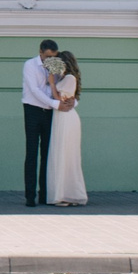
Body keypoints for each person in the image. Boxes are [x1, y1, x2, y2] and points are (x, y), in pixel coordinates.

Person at [21, 39, 60, 206]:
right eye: (47, 57)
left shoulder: (56, 65)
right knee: (31, 153)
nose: (49, 60)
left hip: (50, 112)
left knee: (47, 154)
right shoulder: (30, 65)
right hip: (33, 110)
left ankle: (44, 194)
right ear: (40, 52)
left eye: (53, 57)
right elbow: (34, 89)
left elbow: (58, 87)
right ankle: (30, 195)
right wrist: (53, 103)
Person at [48, 50, 88, 206]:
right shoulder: (65, 78)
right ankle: (63, 193)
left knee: (66, 155)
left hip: (66, 118)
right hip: (61, 117)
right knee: (61, 154)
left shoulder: (69, 78)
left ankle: (68, 194)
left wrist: (51, 83)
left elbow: (59, 99)